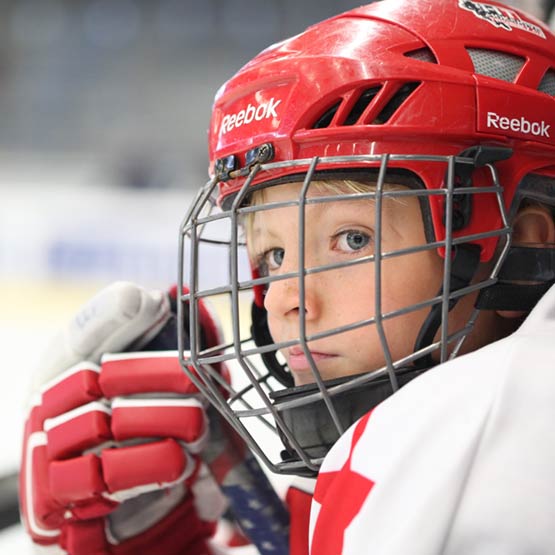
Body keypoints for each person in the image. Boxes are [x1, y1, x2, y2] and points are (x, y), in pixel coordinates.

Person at [19, 0, 555, 553]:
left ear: (522, 244)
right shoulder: (411, 447)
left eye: (352, 239)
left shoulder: (506, 444)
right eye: (273, 257)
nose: (285, 302)